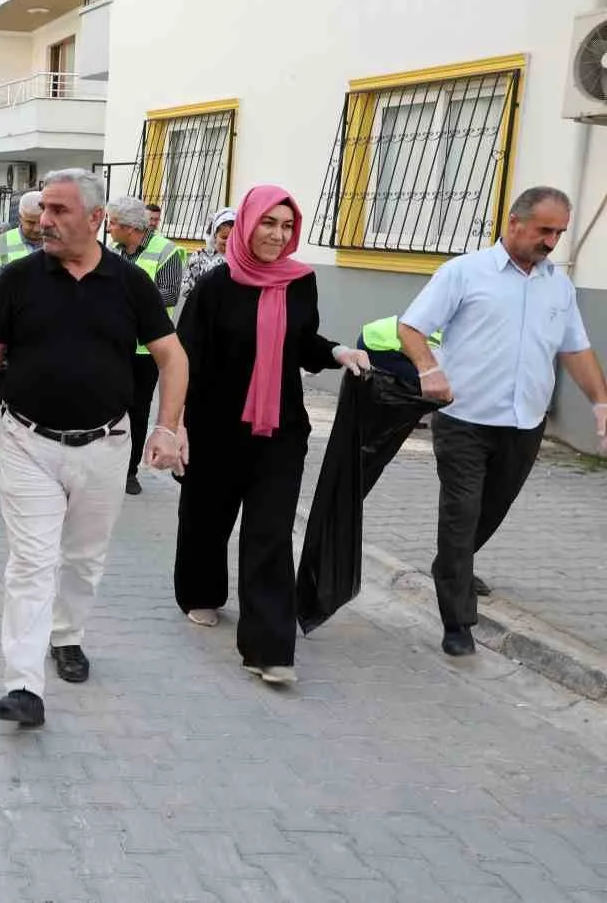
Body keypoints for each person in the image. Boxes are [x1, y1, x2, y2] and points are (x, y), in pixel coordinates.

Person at [0, 169, 187, 727]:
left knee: (83, 560)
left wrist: (166, 426)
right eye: (44, 209)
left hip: (106, 445)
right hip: (28, 442)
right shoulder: (19, 279)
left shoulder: (129, 282)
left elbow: (173, 356)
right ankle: (22, 684)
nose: (46, 220)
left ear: (95, 220)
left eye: (60, 211)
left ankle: (67, 635)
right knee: (32, 563)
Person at [172, 185, 369, 685]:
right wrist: (174, 426)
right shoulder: (213, 288)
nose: (278, 236)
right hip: (215, 428)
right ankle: (200, 592)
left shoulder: (299, 282)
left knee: (271, 534)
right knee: (207, 520)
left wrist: (338, 352)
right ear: (246, 224)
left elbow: (302, 343)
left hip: (280, 429)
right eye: (268, 223)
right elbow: (183, 361)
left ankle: (269, 648)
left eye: (287, 226)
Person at [398, 186, 607, 657]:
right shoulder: (464, 272)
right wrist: (429, 370)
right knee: (462, 514)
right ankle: (458, 620)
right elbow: (410, 326)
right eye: (544, 230)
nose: (552, 242)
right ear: (514, 223)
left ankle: (453, 565)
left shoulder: (559, 285)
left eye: (559, 233)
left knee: (491, 510)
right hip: (463, 419)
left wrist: (600, 402)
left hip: (524, 423)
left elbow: (575, 348)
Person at [107, 195, 188, 496]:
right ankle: (108, 467)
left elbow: (168, 295)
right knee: (109, 407)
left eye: (113, 223)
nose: (109, 228)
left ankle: (129, 472)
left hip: (146, 348)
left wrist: (127, 297)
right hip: (115, 344)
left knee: (137, 411)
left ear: (130, 227)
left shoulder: (166, 251)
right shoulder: (112, 251)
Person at [0, 192, 43, 296]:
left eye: (41, 222)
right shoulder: (2, 242)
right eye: (30, 222)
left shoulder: (60, 241)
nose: (37, 229)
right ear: (20, 218)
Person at [182, 207, 234, 307]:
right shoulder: (198, 256)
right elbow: (186, 287)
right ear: (215, 235)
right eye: (224, 237)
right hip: (201, 310)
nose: (228, 242)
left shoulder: (240, 260)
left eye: (232, 238)